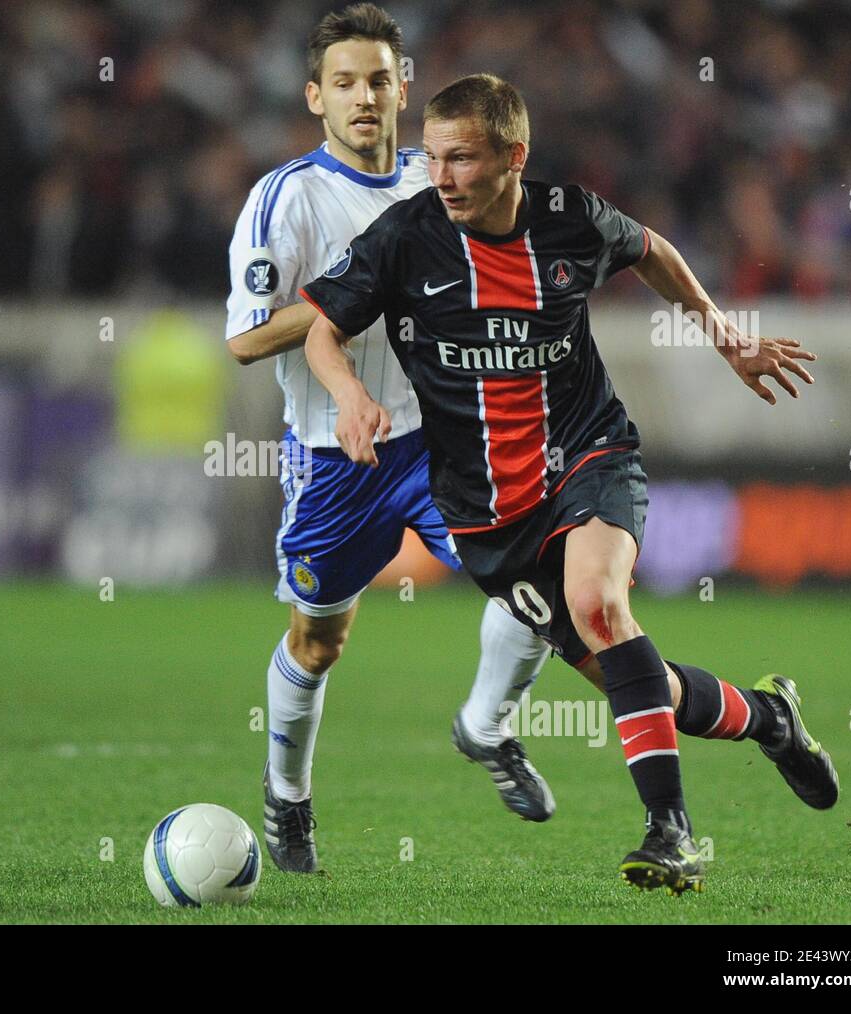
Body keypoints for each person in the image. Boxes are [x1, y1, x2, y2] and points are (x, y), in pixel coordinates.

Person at [301, 72, 839, 894]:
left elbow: (652, 251)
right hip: (485, 514)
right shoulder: (404, 238)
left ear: (514, 157)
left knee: (599, 604)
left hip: (589, 455)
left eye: (463, 159)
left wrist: (726, 333)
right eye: (435, 157)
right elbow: (322, 333)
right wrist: (348, 395)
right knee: (641, 685)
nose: (442, 177)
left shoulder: (571, 220)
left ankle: (673, 834)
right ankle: (770, 717)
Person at [225, 7, 557, 874]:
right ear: (315, 98)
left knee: (536, 586)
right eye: (344, 83)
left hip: (445, 441)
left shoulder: (440, 179)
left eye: (378, 79)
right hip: (337, 458)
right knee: (320, 641)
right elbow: (247, 336)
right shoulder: (285, 199)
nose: (364, 96)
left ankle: (486, 724)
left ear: (403, 88)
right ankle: (287, 798)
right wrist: (352, 296)